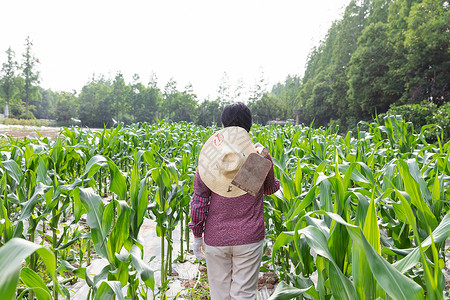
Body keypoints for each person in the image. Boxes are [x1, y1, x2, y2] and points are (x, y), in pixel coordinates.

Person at [188, 102, 280, 299]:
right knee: (244, 294)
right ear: (249, 128)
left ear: (223, 127)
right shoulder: (257, 157)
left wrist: (197, 236)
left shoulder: (209, 162)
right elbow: (271, 189)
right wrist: (266, 162)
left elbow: (199, 202)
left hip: (216, 238)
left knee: (220, 294)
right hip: (249, 237)